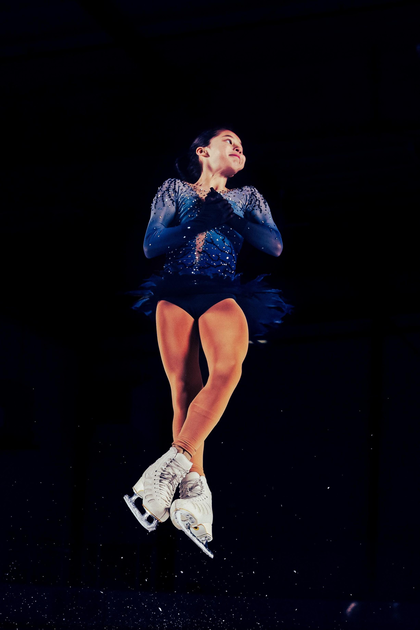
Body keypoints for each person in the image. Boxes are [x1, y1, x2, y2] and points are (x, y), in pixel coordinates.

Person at [124, 128, 291, 557]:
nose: (239, 147)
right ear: (203, 151)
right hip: (174, 291)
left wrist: (230, 218)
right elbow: (151, 245)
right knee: (184, 390)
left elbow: (273, 245)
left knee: (228, 372)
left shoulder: (247, 197)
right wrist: (198, 222)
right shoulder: (175, 189)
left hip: (220, 291)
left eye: (242, 146)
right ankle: (194, 489)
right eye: (229, 141)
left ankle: (170, 465)